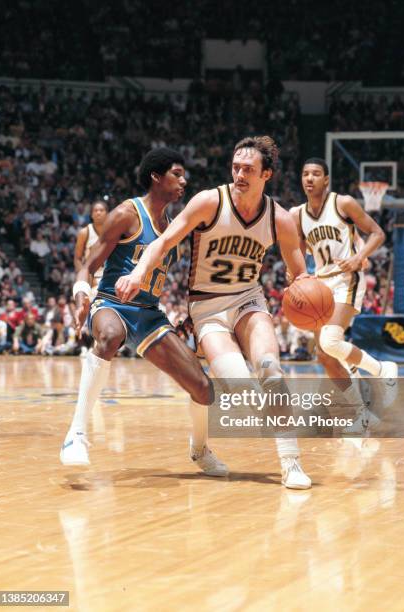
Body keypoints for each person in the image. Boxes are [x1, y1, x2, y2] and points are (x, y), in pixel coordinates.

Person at [116, 136, 312, 489]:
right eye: (235, 167)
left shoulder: (280, 220)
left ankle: (291, 462)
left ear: (266, 174)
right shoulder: (209, 201)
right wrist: (137, 272)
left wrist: (304, 291)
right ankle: (199, 446)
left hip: (249, 301)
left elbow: (300, 275)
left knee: (271, 371)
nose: (239, 174)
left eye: (248, 169)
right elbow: (163, 242)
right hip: (208, 308)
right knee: (240, 387)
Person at [60, 148, 227, 478]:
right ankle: (76, 434)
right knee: (108, 336)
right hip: (110, 302)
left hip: (150, 313)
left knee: (203, 389)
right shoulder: (126, 213)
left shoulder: (174, 228)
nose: (184, 180)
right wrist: (81, 295)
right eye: (177, 174)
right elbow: (88, 266)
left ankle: (200, 450)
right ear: (156, 176)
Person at [290, 158, 398, 432]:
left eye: (316, 174)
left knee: (330, 340)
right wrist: (297, 276)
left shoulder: (343, 203)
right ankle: (360, 414)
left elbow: (377, 233)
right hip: (321, 284)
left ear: (326, 179)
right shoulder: (297, 215)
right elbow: (299, 253)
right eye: (305, 174)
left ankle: (383, 370)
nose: (310, 178)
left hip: (347, 278)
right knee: (326, 357)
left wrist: (359, 256)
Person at [74, 199, 109, 300]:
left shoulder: (113, 232)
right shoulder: (84, 232)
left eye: (101, 210)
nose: (98, 212)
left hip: (108, 274)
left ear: (107, 213)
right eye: (95, 210)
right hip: (91, 274)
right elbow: (77, 259)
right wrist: (84, 278)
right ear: (91, 214)